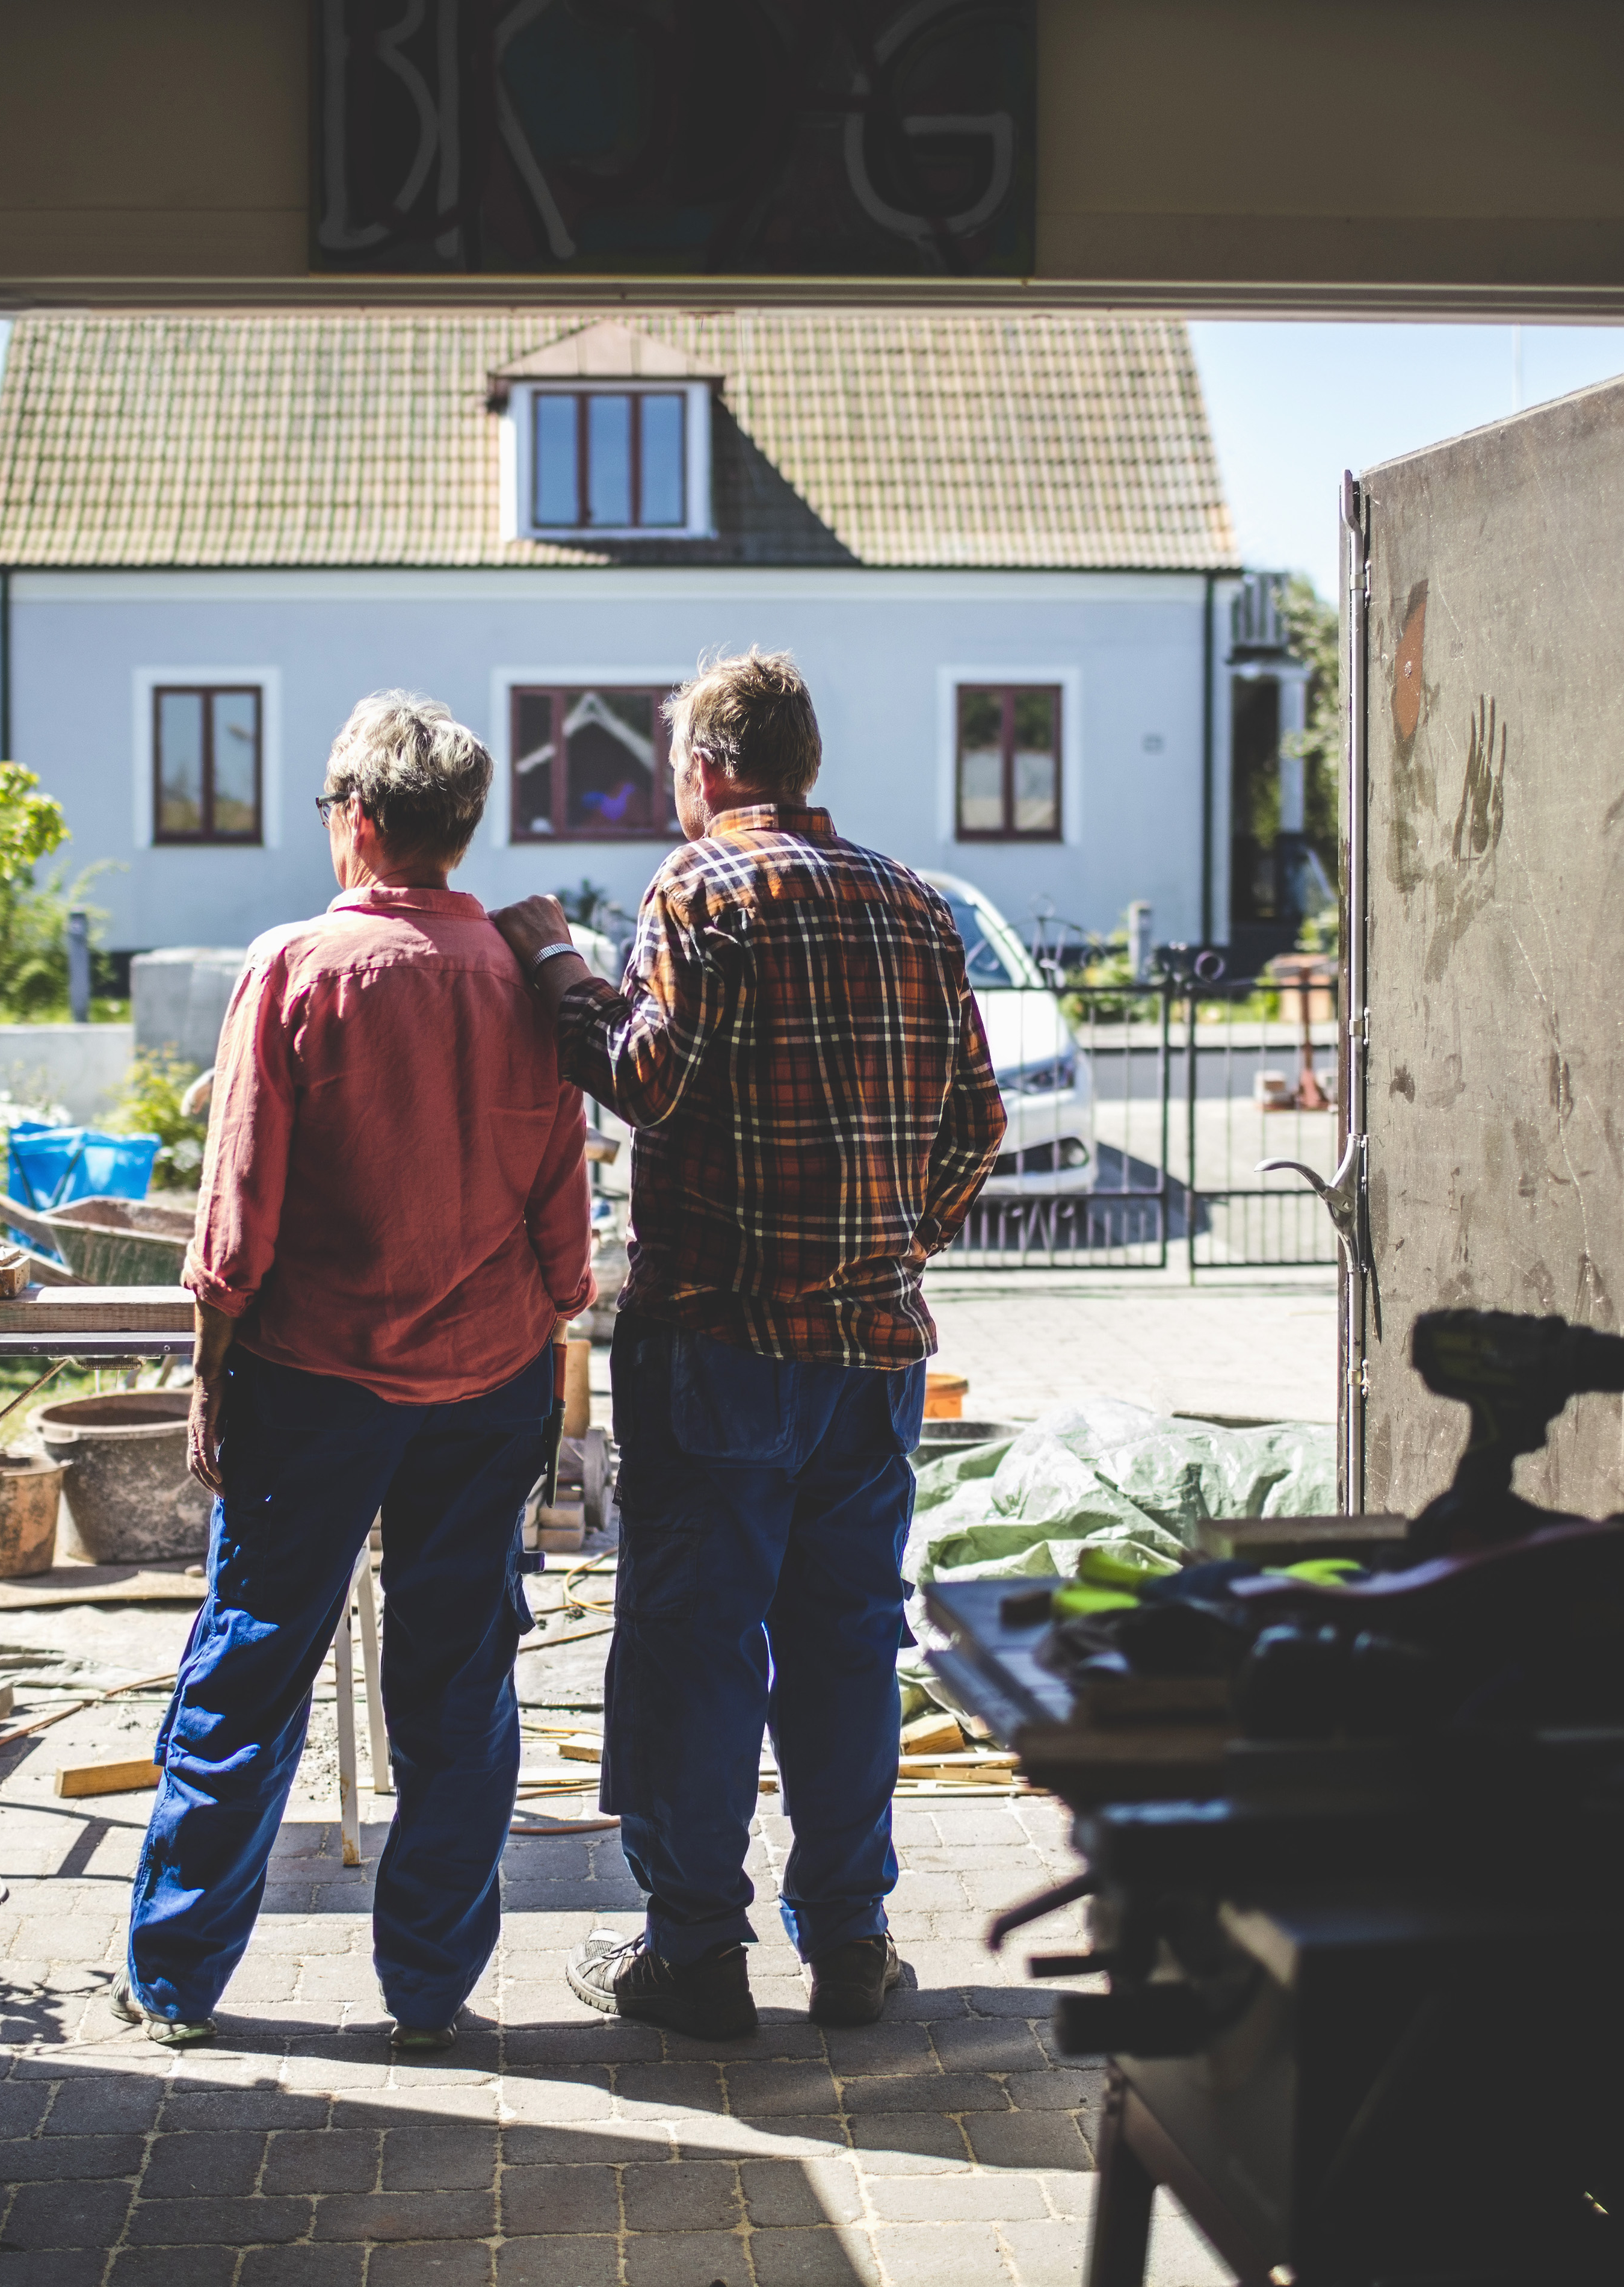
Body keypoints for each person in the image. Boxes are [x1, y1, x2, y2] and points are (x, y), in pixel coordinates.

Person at [487, 649, 1006, 2038]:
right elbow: (979, 1125)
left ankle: (697, 1957)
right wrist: (892, 1239)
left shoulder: (699, 886)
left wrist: (558, 974)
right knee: (844, 1650)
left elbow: (644, 1080)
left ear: (707, 766)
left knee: (697, 1648)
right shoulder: (917, 902)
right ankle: (849, 1947)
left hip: (720, 1342)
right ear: (807, 760)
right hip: (872, 1355)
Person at [116, 692, 594, 2050]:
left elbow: (237, 1207)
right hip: (488, 1378)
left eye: (333, 810)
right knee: (458, 1686)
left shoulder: (297, 966)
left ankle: (174, 1977)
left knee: (252, 1665)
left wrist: (210, 1366)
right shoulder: (526, 979)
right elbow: (566, 1220)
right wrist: (551, 1363)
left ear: (364, 821)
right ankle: (432, 1989)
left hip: (314, 1382)